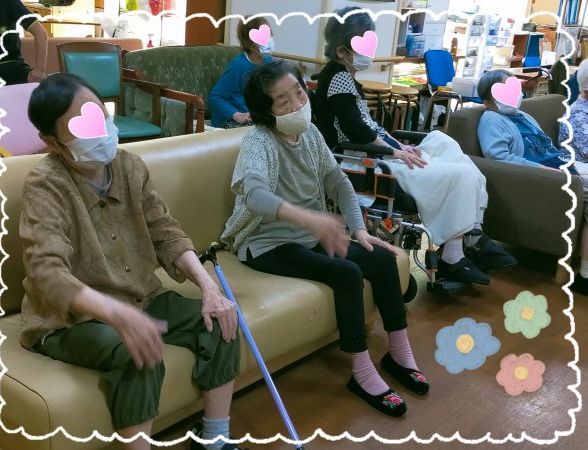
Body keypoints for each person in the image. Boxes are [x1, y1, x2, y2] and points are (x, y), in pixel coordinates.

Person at [20, 73, 245, 450]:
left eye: (98, 115)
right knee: (138, 353)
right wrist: (117, 314)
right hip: (72, 319)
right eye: (80, 127)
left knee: (221, 319)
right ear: (52, 142)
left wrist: (210, 289)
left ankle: (215, 439)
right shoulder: (45, 184)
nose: (98, 131)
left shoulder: (130, 166)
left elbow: (166, 232)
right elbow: (47, 272)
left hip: (141, 296)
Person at [222, 59, 429, 418]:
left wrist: (359, 230)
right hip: (266, 244)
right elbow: (254, 196)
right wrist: (312, 220)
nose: (297, 104)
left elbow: (339, 183)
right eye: (283, 101)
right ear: (266, 112)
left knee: (381, 258)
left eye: (299, 93)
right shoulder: (258, 141)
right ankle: (361, 373)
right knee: (347, 273)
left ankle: (399, 354)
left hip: (309, 235)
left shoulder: (311, 134)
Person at [315, 6, 516, 285]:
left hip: (377, 151)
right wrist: (394, 150)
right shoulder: (337, 77)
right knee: (461, 174)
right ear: (342, 50)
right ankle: (455, 255)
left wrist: (399, 144)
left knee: (443, 141)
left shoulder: (343, 75)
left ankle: (472, 236)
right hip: (363, 160)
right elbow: (356, 131)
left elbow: (371, 127)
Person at [478, 68, 588, 296]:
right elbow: (498, 157)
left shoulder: (523, 115)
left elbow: (547, 145)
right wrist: (542, 169)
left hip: (564, 164)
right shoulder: (491, 120)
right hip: (546, 175)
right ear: (488, 100)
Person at [209, 17, 273, 129]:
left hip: (252, 117)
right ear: (250, 45)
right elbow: (215, 97)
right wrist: (235, 114)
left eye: (269, 35)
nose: (269, 40)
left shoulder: (268, 61)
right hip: (228, 119)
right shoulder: (238, 65)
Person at [0, 0, 48, 85]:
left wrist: (39, 70)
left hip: (11, 66)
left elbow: (40, 33)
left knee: (40, 86)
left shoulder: (9, 3)